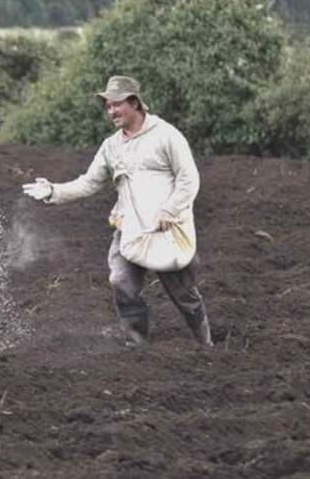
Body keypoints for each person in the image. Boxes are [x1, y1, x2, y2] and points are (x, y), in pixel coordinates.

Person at [22, 75, 213, 346]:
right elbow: (89, 183)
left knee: (184, 294)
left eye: (116, 105)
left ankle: (206, 345)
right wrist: (55, 191)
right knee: (121, 281)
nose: (110, 111)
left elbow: (188, 179)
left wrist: (170, 210)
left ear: (134, 103)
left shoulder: (166, 136)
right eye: (107, 106)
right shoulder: (111, 146)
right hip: (130, 228)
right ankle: (137, 344)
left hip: (167, 230)